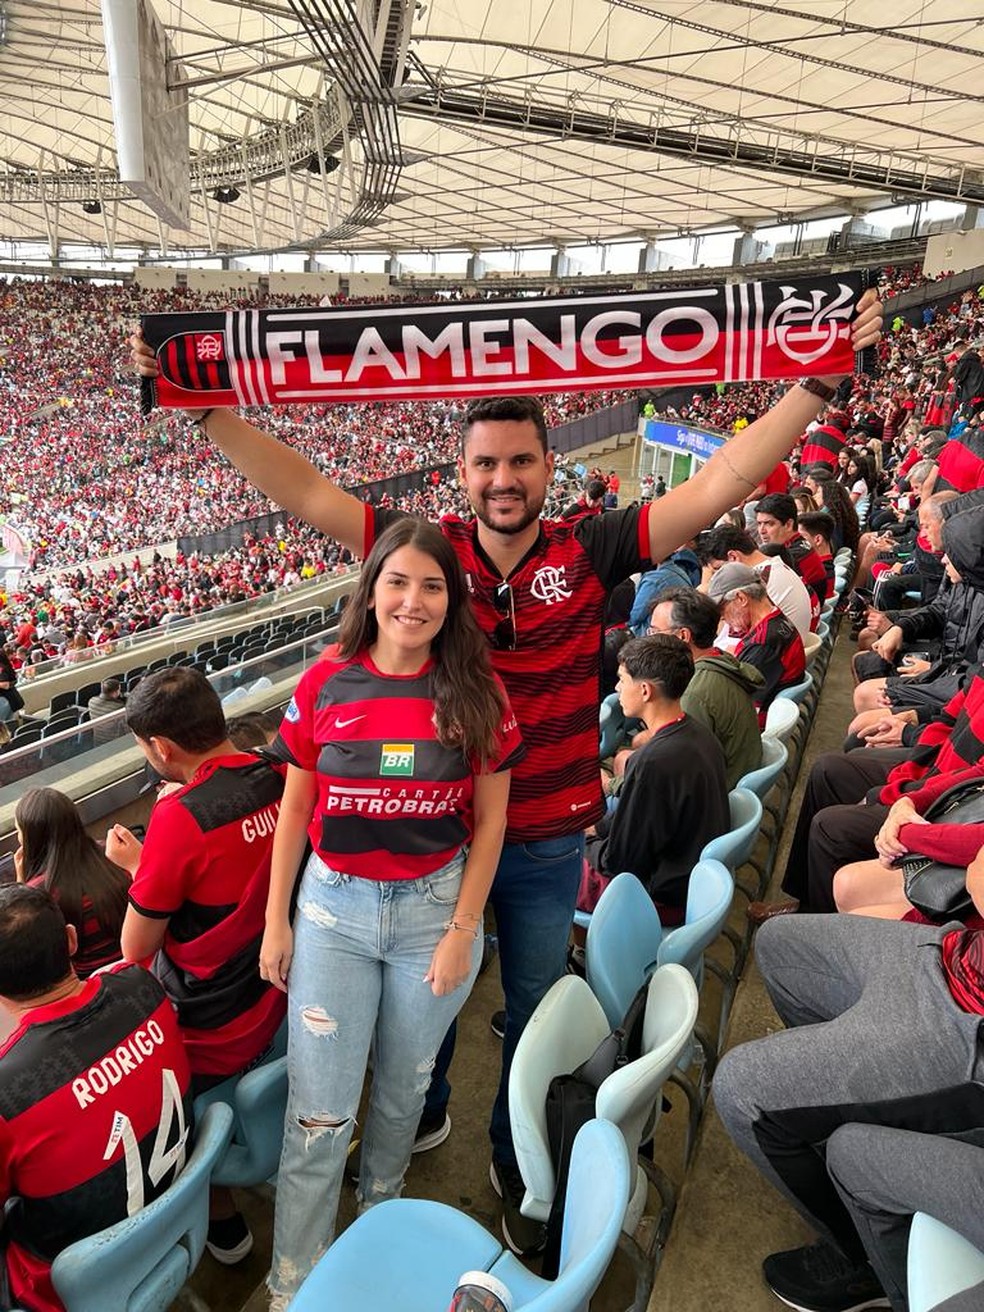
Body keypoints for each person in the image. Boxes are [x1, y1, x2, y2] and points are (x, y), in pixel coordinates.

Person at [130, 291, 882, 1243]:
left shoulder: (595, 545)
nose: (503, 477)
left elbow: (725, 477)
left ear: (548, 467)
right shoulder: (428, 554)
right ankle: (426, 1105)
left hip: (537, 847)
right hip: (434, 849)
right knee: (429, 1009)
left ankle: (503, 1136)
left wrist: (813, 384)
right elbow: (307, 492)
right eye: (486, 461)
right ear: (463, 470)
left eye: (520, 460)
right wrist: (205, 410)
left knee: (527, 1006)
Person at [258, 518, 522, 1307]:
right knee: (319, 1115)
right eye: (398, 582)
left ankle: (377, 1241)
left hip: (431, 919)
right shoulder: (324, 683)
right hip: (332, 914)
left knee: (404, 1096)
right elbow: (296, 800)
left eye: (432, 585)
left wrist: (461, 931)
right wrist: (279, 921)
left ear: (453, 599)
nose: (413, 601)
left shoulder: (477, 692)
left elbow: (493, 821)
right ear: (371, 590)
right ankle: (293, 1284)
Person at [713, 859, 984, 1312]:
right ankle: (830, 1118)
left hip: (967, 1030)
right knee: (780, 943)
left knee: (742, 1090)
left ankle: (862, 1259)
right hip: (952, 954)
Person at [107, 666, 288, 1265]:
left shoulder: (179, 819)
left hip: (212, 1026)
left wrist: (140, 865)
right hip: (278, 994)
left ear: (161, 748)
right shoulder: (278, 772)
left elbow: (135, 949)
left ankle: (223, 1222)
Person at [0, 884, 192, 1312]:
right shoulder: (143, 985)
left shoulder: (8, 1094)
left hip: (66, 1286)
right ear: (70, 939)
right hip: (177, 1222)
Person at [579, 634, 728, 922]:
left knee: (555, 869)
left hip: (659, 896)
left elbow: (620, 863)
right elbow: (639, 822)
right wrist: (597, 828)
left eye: (622, 679)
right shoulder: (698, 733)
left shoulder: (654, 762)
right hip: (689, 879)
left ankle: (586, 954)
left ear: (645, 690)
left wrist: (583, 843)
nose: (617, 687)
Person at [647, 587, 763, 788]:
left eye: (655, 632)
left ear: (683, 635)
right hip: (736, 775)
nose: (649, 639)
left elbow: (679, 771)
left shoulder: (694, 692)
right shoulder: (721, 658)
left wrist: (615, 784)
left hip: (721, 791)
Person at [14, 787, 130, 977]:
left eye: (20, 831)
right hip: (138, 960)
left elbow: (26, 940)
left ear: (32, 835)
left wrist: (22, 887)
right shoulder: (112, 853)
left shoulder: (40, 892)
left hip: (87, 978)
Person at [707, 562, 806, 723]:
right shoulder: (774, 620)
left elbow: (738, 707)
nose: (722, 617)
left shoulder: (763, 644)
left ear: (741, 598)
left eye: (721, 609)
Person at [699, 523, 813, 640]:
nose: (716, 578)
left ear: (733, 557)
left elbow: (732, 645)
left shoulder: (760, 581)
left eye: (719, 569)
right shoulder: (774, 568)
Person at [756, 492, 827, 619]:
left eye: (769, 524)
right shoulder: (799, 544)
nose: (762, 531)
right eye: (759, 523)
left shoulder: (789, 557)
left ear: (788, 524)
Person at [87, 675, 125, 745]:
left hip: (97, 742)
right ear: (115, 692)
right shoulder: (118, 707)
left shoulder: (91, 702)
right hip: (114, 743)